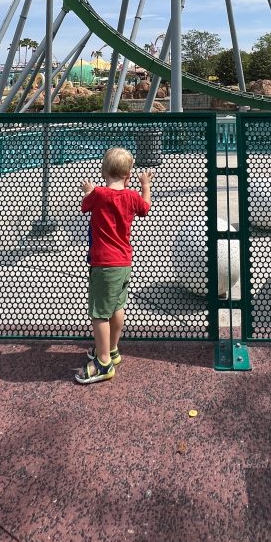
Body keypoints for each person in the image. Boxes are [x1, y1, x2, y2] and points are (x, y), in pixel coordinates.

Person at [76, 146, 153, 385]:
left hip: (104, 264)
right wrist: (145, 187)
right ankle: (112, 349)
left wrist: (89, 191)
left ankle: (103, 363)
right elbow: (146, 207)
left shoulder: (98, 194)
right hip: (123, 262)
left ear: (103, 171)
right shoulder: (131, 197)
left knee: (99, 313)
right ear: (128, 175)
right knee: (117, 306)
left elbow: (84, 205)